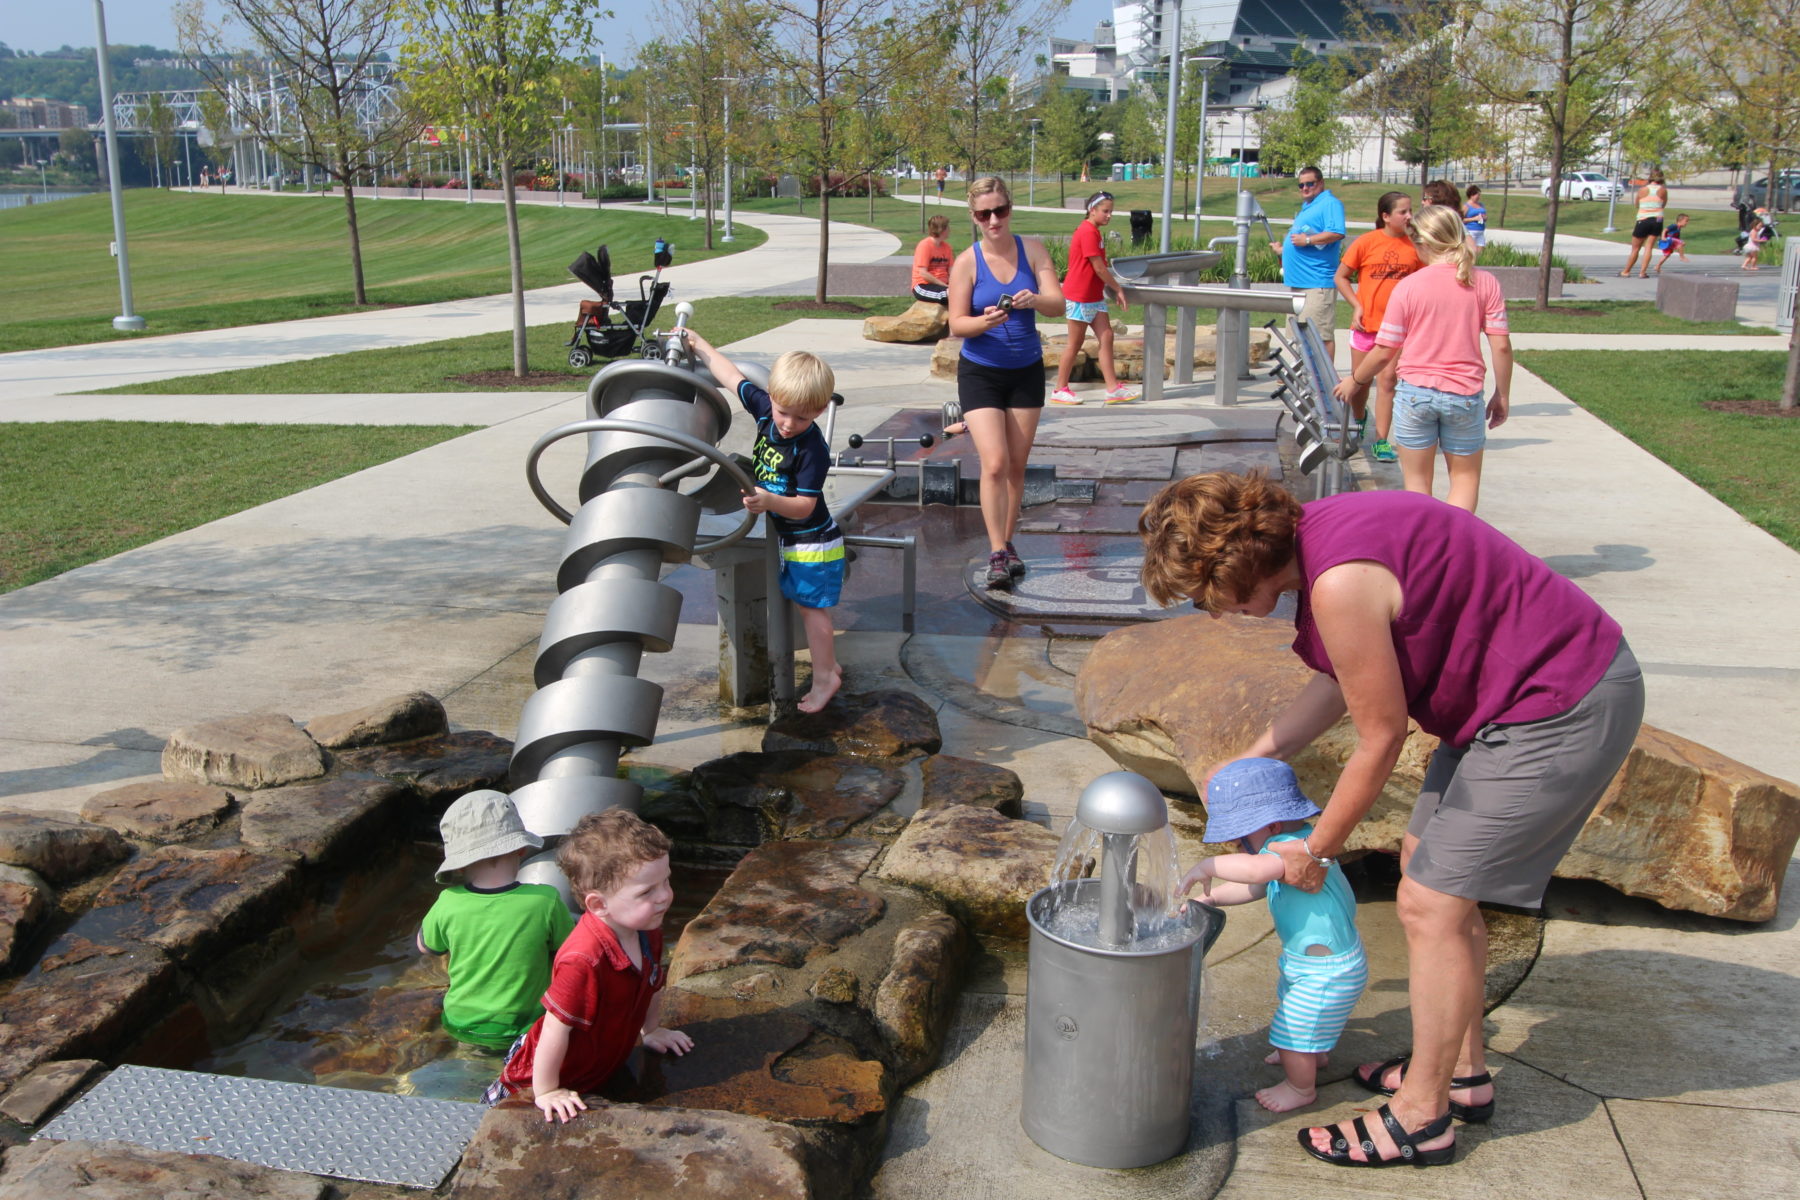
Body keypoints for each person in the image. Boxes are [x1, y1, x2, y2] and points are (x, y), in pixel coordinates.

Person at [1137, 473, 1645, 1171]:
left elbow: (1380, 736)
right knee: (1424, 867)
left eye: (1207, 594)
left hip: (1559, 701)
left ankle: (1421, 1118)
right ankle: (1460, 1075)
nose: (1213, 611)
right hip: (1505, 705)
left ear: (1236, 562)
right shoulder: (1323, 535)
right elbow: (1341, 680)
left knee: (1430, 902)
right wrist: (1260, 753)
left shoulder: (1339, 582)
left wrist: (1311, 850)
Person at [1179, 758, 1367, 1115]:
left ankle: (1300, 1086)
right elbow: (1255, 886)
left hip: (1327, 972)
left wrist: (1208, 867)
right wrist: (1215, 896)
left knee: (1292, 1028)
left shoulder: (1291, 848)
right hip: (1313, 964)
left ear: (1271, 825)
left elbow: (1257, 868)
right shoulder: (1292, 851)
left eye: (1240, 836)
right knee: (1298, 1011)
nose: (1237, 845)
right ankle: (1312, 1053)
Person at [486, 809, 693, 1122]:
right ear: (598, 904)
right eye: (647, 891)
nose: (665, 896)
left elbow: (651, 984)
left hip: (593, 1062)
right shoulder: (584, 960)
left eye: (666, 881)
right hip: (533, 1073)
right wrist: (546, 1091)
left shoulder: (648, 930)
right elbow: (555, 1030)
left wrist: (651, 1031)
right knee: (481, 1125)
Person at [684, 330, 846, 712]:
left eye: (802, 417)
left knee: (812, 609)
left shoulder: (811, 449)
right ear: (771, 397)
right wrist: (701, 345)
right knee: (805, 605)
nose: (788, 424)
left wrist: (770, 500)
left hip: (812, 540)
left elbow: (805, 506)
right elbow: (731, 377)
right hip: (793, 539)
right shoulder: (764, 410)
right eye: (783, 412)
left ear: (820, 411)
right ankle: (829, 666)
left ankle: (826, 677)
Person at [1332, 205, 1510, 514]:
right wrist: (1502, 394)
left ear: (1421, 242)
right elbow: (1502, 347)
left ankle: (1424, 555)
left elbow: (1385, 349)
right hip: (1464, 395)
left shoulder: (1408, 287)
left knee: (1416, 486)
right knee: (1465, 481)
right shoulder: (1485, 282)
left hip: (1415, 395)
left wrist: (1355, 380)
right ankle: (1454, 550)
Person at [947, 176, 1064, 592]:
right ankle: (997, 551)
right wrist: (984, 322)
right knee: (994, 462)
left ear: (1009, 209)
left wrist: (1034, 299)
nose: (994, 219)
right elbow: (956, 322)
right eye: (984, 214)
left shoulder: (1031, 250)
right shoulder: (967, 262)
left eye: (1000, 210)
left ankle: (1007, 544)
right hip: (980, 372)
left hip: (1026, 370)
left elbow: (1058, 303)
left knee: (1016, 466)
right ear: (974, 218)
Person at [418, 790, 575, 1051]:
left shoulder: (447, 901)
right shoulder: (545, 900)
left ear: (458, 865)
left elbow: (426, 947)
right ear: (521, 849)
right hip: (527, 1024)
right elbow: (569, 951)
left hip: (461, 1022)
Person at [1333, 191, 1422, 465]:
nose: (1409, 216)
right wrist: (1357, 305)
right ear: (1385, 216)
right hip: (1365, 326)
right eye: (1402, 212)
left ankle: (1381, 440)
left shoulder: (1416, 248)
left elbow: (1422, 284)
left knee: (1388, 382)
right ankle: (1359, 419)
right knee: (1360, 383)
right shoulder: (1366, 243)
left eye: (1410, 211)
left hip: (1395, 331)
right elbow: (1341, 277)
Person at [1050, 190, 1136, 405]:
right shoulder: (1087, 231)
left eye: (1111, 212)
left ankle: (1112, 388)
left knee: (1106, 336)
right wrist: (1118, 288)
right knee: (1075, 343)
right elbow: (1098, 267)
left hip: (1093, 297)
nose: (1109, 215)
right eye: (1105, 211)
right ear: (1092, 210)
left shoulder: (1095, 232)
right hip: (1079, 296)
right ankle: (1060, 388)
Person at [1271, 166, 1346, 357]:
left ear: (1320, 183)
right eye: (1301, 185)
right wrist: (1284, 250)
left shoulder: (1330, 203)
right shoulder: (1309, 207)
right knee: (1300, 335)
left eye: (1310, 183)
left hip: (1317, 284)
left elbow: (1337, 232)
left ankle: (1324, 382)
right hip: (1298, 284)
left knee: (1320, 336)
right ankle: (1304, 376)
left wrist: (1308, 240)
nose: (1305, 188)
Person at [1620, 168, 1668, 278]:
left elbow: (1636, 204)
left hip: (1643, 219)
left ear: (1650, 177)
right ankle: (1642, 272)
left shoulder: (1642, 190)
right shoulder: (1663, 190)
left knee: (1636, 248)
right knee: (1649, 247)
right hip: (1657, 220)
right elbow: (1663, 204)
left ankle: (1626, 271)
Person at [911, 214, 955, 304]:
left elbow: (952, 271)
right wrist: (944, 285)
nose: (949, 230)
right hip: (923, 285)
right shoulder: (925, 246)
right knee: (950, 295)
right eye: (947, 228)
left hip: (943, 285)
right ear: (941, 230)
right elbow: (923, 273)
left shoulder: (947, 247)